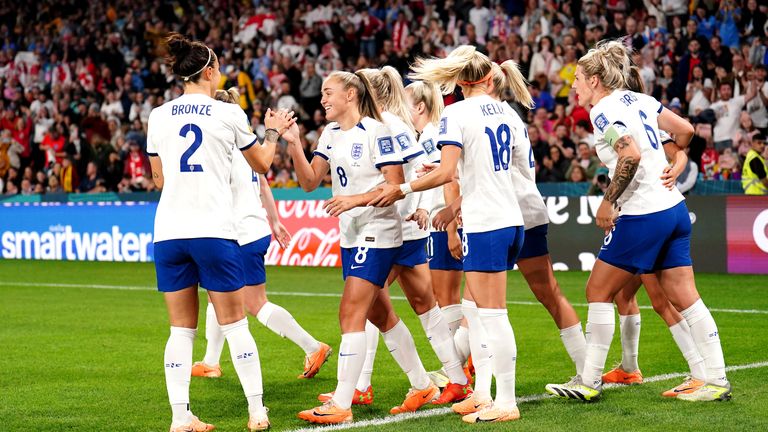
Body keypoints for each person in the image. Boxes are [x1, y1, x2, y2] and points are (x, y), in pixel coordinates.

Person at [545, 40, 730, 403]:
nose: (574, 86)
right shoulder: (639, 100)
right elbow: (686, 130)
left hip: (643, 213)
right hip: (673, 210)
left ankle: (589, 381)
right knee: (686, 298)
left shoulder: (603, 111)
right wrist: (674, 166)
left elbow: (627, 155)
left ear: (596, 80)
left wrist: (607, 202)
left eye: (579, 79)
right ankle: (713, 379)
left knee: (597, 291)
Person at [371, 45, 529, 423]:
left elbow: (445, 174)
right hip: (511, 218)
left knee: (492, 316)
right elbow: (510, 166)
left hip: (486, 222)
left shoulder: (456, 112)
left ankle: (505, 402)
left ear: (459, 81)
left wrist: (405, 189)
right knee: (477, 312)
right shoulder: (508, 111)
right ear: (489, 77)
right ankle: (483, 393)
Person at [146, 33, 294, 432]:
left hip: (170, 232)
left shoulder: (158, 115)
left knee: (181, 330)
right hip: (213, 229)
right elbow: (262, 164)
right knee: (235, 324)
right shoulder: (228, 114)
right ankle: (257, 411)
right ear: (209, 71)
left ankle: (181, 418)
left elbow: (158, 178)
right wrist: (274, 133)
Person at [285, 70, 415, 425]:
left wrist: (353, 200)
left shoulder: (378, 131)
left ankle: (342, 402)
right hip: (351, 233)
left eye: (329, 92)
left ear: (351, 94)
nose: (323, 99)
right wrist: (294, 142)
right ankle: (421, 384)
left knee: (350, 313)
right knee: (380, 315)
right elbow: (310, 181)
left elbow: (394, 186)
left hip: (378, 230)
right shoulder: (329, 133)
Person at [339, 66, 470, 408]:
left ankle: (364, 386)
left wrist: (414, 206)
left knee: (368, 303)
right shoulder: (394, 123)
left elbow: (416, 173)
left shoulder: (386, 125)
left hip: (395, 229)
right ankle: (456, 379)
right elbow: (423, 168)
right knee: (424, 306)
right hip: (409, 228)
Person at [190, 88, 332, 384]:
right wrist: (276, 221)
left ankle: (312, 346)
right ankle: (211, 361)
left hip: (237, 233)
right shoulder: (246, 144)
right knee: (216, 294)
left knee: (255, 304)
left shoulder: (219, 147)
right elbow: (263, 184)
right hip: (251, 229)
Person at [405, 80, 470, 381]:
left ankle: (453, 368)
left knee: (447, 297)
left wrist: (452, 230)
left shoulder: (433, 137)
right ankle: (458, 364)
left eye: (405, 101)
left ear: (419, 106)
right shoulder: (427, 136)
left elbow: (449, 180)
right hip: (438, 222)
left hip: (442, 224)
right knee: (443, 295)